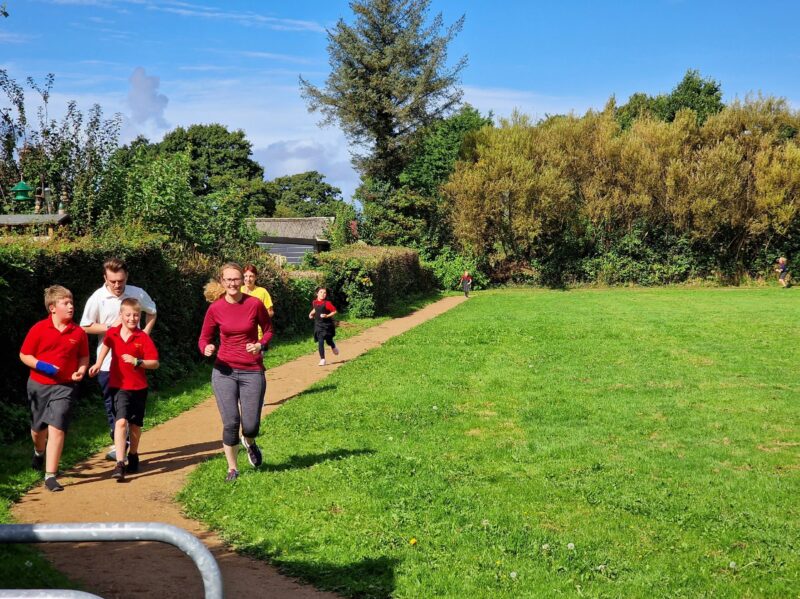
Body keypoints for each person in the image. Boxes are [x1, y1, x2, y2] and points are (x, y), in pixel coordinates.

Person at [198, 263, 273, 482]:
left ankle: (249, 442)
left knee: (250, 425)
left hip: (252, 370)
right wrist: (206, 348)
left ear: (242, 281)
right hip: (224, 371)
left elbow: (268, 330)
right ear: (222, 282)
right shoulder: (215, 308)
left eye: (236, 279)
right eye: (228, 280)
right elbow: (204, 337)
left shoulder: (254, 304)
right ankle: (233, 468)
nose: (232, 283)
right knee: (231, 422)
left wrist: (260, 345)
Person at [80, 258, 157, 462]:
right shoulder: (98, 297)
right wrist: (111, 328)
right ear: (105, 278)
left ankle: (127, 446)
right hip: (107, 363)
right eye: (112, 281)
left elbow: (152, 312)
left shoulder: (137, 293)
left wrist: (145, 335)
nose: (117, 285)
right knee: (112, 405)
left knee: (133, 410)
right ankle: (119, 443)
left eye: (120, 281)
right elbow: (85, 326)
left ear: (126, 277)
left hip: (134, 363)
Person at [19, 285, 89, 492]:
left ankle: (50, 476)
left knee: (57, 427)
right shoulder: (39, 329)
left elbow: (83, 356)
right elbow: (24, 355)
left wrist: (81, 370)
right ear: (52, 307)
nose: (71, 306)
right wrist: (43, 366)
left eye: (71, 303)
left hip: (65, 386)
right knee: (38, 429)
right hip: (38, 385)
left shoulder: (78, 332)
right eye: (65, 303)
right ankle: (39, 452)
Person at [89, 298, 159, 482]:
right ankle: (120, 463)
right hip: (118, 386)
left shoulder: (142, 337)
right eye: (128, 315)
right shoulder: (113, 333)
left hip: (138, 388)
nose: (132, 318)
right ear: (121, 315)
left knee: (135, 426)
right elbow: (106, 344)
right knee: (120, 422)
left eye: (136, 315)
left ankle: (134, 454)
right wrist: (98, 363)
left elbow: (155, 363)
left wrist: (138, 362)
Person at [309, 286, 338, 366]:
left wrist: (327, 316)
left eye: (324, 293)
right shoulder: (314, 302)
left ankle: (333, 346)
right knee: (320, 341)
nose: (323, 294)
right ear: (317, 293)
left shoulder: (327, 303)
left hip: (327, 325)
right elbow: (315, 309)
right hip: (318, 325)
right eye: (321, 292)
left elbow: (334, 311)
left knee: (328, 340)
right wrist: (311, 314)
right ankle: (322, 359)